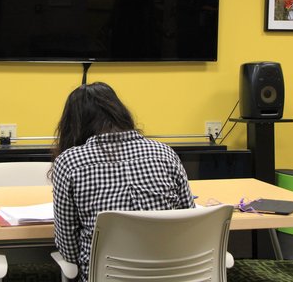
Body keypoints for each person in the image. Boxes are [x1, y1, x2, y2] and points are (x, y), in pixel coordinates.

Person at [50, 82, 195, 281]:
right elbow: (190, 218)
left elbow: (69, 249)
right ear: (120, 113)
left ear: (73, 124)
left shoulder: (70, 162)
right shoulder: (164, 153)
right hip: (173, 274)